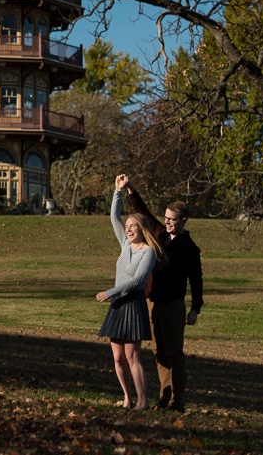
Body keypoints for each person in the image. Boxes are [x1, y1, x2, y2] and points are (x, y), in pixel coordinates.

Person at [119, 175, 204, 413]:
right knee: (159, 353)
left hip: (174, 305)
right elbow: (142, 211)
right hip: (153, 304)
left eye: (172, 220)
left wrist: (195, 308)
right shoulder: (159, 233)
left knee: (175, 354)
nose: (166, 223)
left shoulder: (190, 249)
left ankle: (178, 401)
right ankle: (164, 399)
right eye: (165, 218)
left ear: (183, 220)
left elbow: (197, 280)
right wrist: (131, 189)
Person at [96, 175, 169, 410]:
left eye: (132, 226)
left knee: (132, 356)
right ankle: (127, 398)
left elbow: (138, 281)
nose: (128, 229)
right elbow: (113, 218)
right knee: (117, 357)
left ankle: (143, 401)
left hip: (132, 303)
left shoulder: (148, 252)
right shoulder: (125, 244)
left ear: (141, 228)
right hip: (118, 303)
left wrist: (110, 291)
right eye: (127, 227)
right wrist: (117, 192)